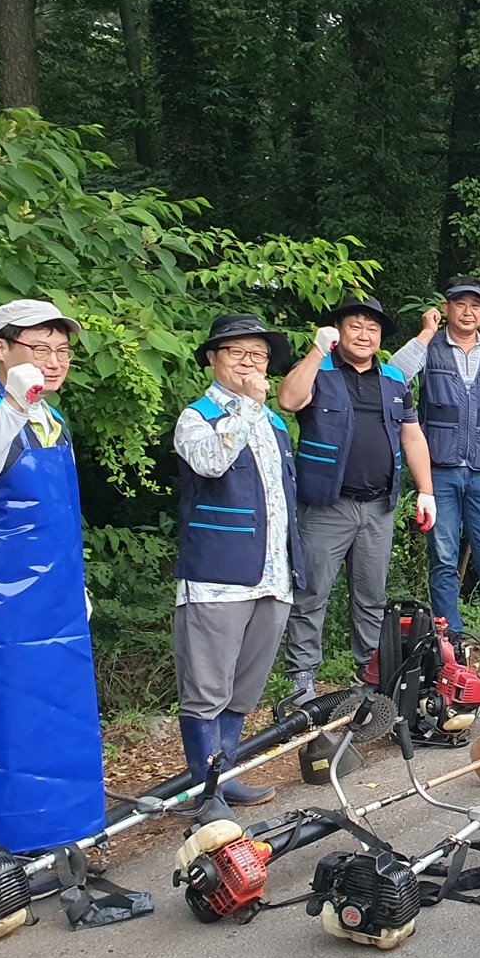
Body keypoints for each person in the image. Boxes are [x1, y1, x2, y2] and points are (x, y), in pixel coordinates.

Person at [0, 299, 107, 852]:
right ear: (1, 349)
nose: (53, 362)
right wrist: (11, 404)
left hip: (54, 598)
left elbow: (58, 515)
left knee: (62, 719)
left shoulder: (52, 420)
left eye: (62, 351)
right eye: (38, 349)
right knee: (5, 720)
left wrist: (75, 584)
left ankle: (67, 835)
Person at [172, 314, 304, 812]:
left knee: (243, 689)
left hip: (272, 577)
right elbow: (209, 463)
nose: (251, 363)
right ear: (212, 359)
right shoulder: (196, 416)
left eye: (259, 355)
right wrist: (247, 407)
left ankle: (224, 776)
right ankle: (203, 793)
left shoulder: (274, 422)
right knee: (206, 689)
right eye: (237, 353)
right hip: (216, 579)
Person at [276, 296, 436, 703]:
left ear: (380, 337)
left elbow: (412, 436)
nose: (364, 335)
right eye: (355, 326)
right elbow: (288, 401)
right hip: (326, 506)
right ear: (338, 330)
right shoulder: (320, 372)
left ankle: (370, 674)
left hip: (379, 506)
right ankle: (302, 680)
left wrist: (427, 491)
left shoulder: (394, 381)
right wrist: (316, 350)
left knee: (371, 597)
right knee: (312, 594)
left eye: (372, 329)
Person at [390, 275, 480, 669]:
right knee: (443, 554)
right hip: (437, 469)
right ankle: (448, 636)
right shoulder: (430, 347)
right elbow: (394, 375)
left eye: (476, 305)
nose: (468, 311)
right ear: (447, 307)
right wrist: (425, 332)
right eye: (460, 304)